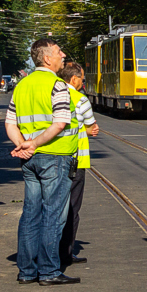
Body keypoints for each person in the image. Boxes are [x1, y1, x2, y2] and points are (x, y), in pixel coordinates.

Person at [4, 38, 80, 286]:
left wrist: (22, 145)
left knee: (30, 214)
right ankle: (48, 271)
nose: (63, 55)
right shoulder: (57, 86)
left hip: (30, 160)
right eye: (59, 52)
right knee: (53, 215)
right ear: (47, 58)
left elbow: (10, 123)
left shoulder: (22, 86)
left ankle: (26, 271)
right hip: (54, 157)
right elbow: (59, 123)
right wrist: (35, 143)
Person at [57, 61, 99, 268]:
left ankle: (47, 251)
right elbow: (92, 128)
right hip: (75, 160)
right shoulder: (79, 99)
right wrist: (87, 130)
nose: (84, 82)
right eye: (82, 78)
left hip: (51, 157)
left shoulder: (52, 94)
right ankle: (65, 252)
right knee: (72, 207)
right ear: (74, 79)